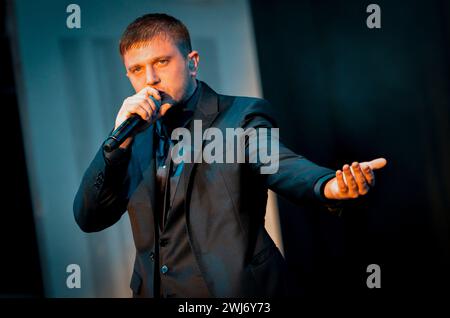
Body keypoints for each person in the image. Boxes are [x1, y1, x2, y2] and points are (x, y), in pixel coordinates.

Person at [73, 13, 387, 298]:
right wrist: (116, 146)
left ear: (193, 62)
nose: (150, 79)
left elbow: (279, 164)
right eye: (137, 69)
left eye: (162, 62)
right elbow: (88, 217)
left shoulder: (239, 116)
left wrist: (329, 185)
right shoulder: (132, 140)